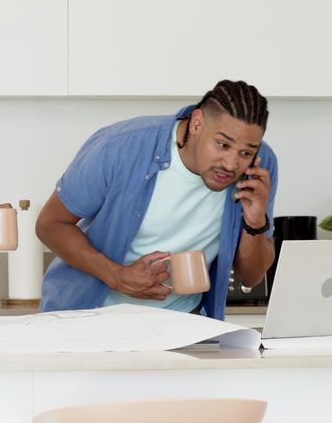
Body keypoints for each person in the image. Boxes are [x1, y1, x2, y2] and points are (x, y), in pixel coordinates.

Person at [36, 79, 277, 320]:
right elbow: (50, 225)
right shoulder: (119, 148)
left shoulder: (260, 168)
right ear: (196, 123)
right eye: (222, 144)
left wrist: (255, 221)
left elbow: (251, 277)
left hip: (182, 323)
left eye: (246, 153)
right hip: (89, 318)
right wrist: (117, 276)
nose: (231, 164)